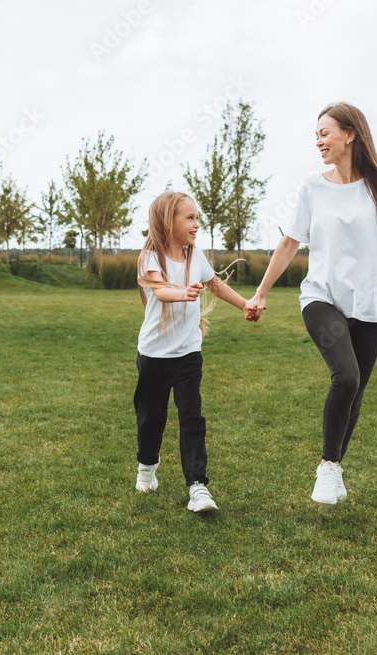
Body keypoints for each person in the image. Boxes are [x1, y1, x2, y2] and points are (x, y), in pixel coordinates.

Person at [244, 102, 377, 505]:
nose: (318, 140)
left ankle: (336, 466)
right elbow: (290, 242)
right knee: (345, 376)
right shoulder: (312, 187)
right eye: (316, 134)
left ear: (350, 134)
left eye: (324, 132)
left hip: (369, 306)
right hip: (321, 298)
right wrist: (260, 292)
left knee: (355, 392)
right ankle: (327, 467)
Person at [133, 190, 259, 512]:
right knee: (152, 419)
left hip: (188, 354)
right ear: (168, 221)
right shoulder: (152, 256)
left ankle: (198, 487)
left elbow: (215, 284)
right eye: (189, 218)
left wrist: (245, 304)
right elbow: (160, 291)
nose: (196, 224)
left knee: (192, 417)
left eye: (197, 218)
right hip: (154, 356)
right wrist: (183, 293)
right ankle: (147, 467)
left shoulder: (196, 256)